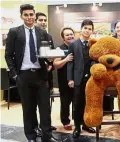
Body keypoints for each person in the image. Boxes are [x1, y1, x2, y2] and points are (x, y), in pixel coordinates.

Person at [5, 4, 61, 142]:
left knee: (45, 108)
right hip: (23, 76)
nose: (29, 17)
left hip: (40, 75)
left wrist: (49, 64)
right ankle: (30, 135)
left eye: (31, 14)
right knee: (28, 109)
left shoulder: (42, 33)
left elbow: (48, 53)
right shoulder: (14, 32)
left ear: (34, 16)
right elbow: (8, 55)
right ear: (21, 16)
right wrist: (15, 75)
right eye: (26, 15)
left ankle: (47, 136)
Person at [67, 19, 96, 138]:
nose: (87, 31)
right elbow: (70, 63)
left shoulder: (94, 44)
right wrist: (70, 79)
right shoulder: (73, 44)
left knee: (88, 103)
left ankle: (86, 124)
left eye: (90, 29)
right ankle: (77, 127)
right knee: (77, 103)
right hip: (77, 79)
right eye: (85, 28)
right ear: (81, 29)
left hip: (91, 79)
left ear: (92, 31)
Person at [34, 11, 57, 136]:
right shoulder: (30, 36)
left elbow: (51, 55)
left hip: (45, 75)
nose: (43, 22)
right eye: (40, 20)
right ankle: (35, 127)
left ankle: (45, 126)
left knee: (45, 104)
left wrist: (51, 64)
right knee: (33, 105)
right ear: (35, 21)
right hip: (32, 74)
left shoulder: (48, 37)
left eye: (44, 20)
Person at [53, 27, 75, 131]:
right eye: (67, 35)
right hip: (63, 81)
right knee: (65, 103)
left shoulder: (76, 46)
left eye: (71, 34)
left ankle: (79, 122)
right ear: (63, 37)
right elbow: (56, 64)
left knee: (78, 102)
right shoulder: (59, 49)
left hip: (76, 80)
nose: (70, 36)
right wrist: (65, 60)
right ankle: (65, 121)